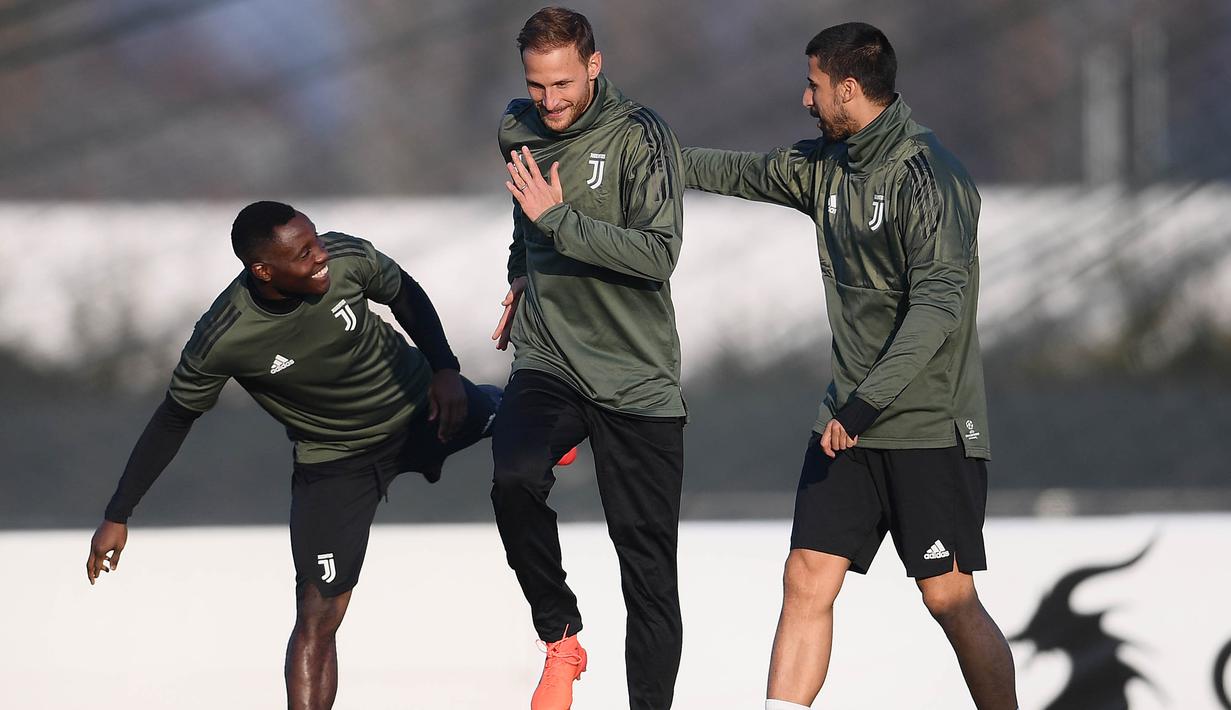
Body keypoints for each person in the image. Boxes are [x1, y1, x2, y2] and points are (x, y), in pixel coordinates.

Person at [682, 22, 1017, 710]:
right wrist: (653, 158)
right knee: (806, 577)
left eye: (813, 86)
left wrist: (865, 405)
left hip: (927, 426)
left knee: (949, 598)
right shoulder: (828, 165)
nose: (804, 99)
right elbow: (742, 172)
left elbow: (937, 309)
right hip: (847, 425)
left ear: (849, 89)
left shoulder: (930, 178)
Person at [85, 200, 500, 710]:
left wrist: (445, 369)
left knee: (521, 420)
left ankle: (517, 418)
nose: (320, 255)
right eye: (304, 253)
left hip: (424, 408)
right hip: (336, 461)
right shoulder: (224, 336)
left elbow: (404, 292)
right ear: (264, 271)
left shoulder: (346, 259)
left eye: (316, 240)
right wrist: (118, 514)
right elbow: (174, 419)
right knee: (317, 616)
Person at [489, 7, 687, 710]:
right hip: (550, 360)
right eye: (536, 85)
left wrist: (558, 221)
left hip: (635, 378)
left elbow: (658, 254)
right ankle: (561, 636)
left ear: (594, 67)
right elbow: (523, 219)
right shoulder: (516, 128)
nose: (549, 101)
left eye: (563, 84)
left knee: (648, 576)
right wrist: (521, 272)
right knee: (513, 478)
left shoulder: (641, 135)